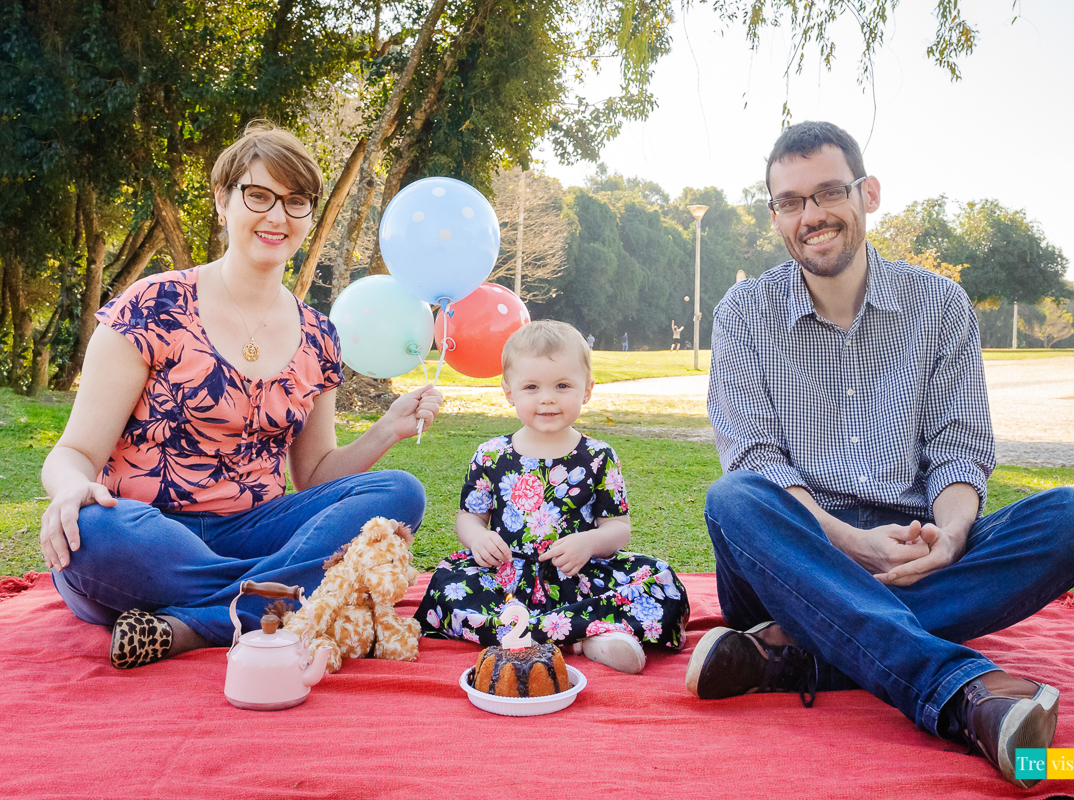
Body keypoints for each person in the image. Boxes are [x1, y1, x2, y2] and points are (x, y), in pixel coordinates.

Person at [685, 121, 1074, 787]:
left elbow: (957, 450)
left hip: (916, 552)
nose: (811, 215)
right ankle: (963, 694)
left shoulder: (938, 304)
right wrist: (851, 543)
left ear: (868, 192)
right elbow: (755, 458)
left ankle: (798, 655)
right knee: (733, 499)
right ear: (774, 216)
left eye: (827, 193)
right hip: (795, 552)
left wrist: (949, 534)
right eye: (790, 202)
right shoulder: (743, 312)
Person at [39, 122, 443, 669]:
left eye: (296, 201)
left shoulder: (318, 334)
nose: (278, 216)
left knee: (399, 493)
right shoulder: (154, 304)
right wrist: (68, 489)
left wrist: (387, 428)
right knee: (91, 531)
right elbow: (75, 454)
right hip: (147, 538)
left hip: (257, 532)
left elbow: (316, 475)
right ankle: (274, 600)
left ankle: (201, 621)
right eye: (259, 195)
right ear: (222, 200)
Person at [414, 320, 689, 673]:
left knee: (660, 580)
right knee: (445, 584)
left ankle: (564, 633)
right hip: (507, 578)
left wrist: (589, 543)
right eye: (531, 386)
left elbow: (618, 527)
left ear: (587, 390)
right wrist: (478, 537)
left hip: (579, 576)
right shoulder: (491, 454)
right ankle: (580, 635)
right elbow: (470, 515)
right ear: (509, 391)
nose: (547, 398)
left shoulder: (598, 457)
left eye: (562, 385)